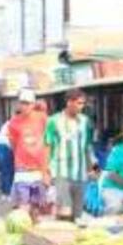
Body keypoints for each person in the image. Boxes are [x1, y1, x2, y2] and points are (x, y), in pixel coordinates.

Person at [44, 89, 95, 220]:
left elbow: (87, 147)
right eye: (79, 103)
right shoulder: (53, 121)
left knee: (78, 215)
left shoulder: (86, 121)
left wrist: (92, 169)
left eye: (83, 103)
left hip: (80, 175)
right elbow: (47, 147)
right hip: (61, 173)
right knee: (65, 211)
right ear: (69, 102)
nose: (81, 107)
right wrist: (45, 172)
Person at [7, 88, 52, 218]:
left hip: (40, 168)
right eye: (22, 103)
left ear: (33, 104)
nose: (24, 106)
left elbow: (49, 141)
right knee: (23, 207)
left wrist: (47, 170)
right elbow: (13, 144)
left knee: (38, 207)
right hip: (22, 169)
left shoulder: (42, 118)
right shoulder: (13, 122)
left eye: (27, 103)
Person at [0, 117, 14, 199]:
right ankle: (8, 193)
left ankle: (4, 193)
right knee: (8, 171)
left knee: (4, 171)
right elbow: (11, 138)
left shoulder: (7, 123)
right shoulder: (13, 123)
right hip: (4, 147)